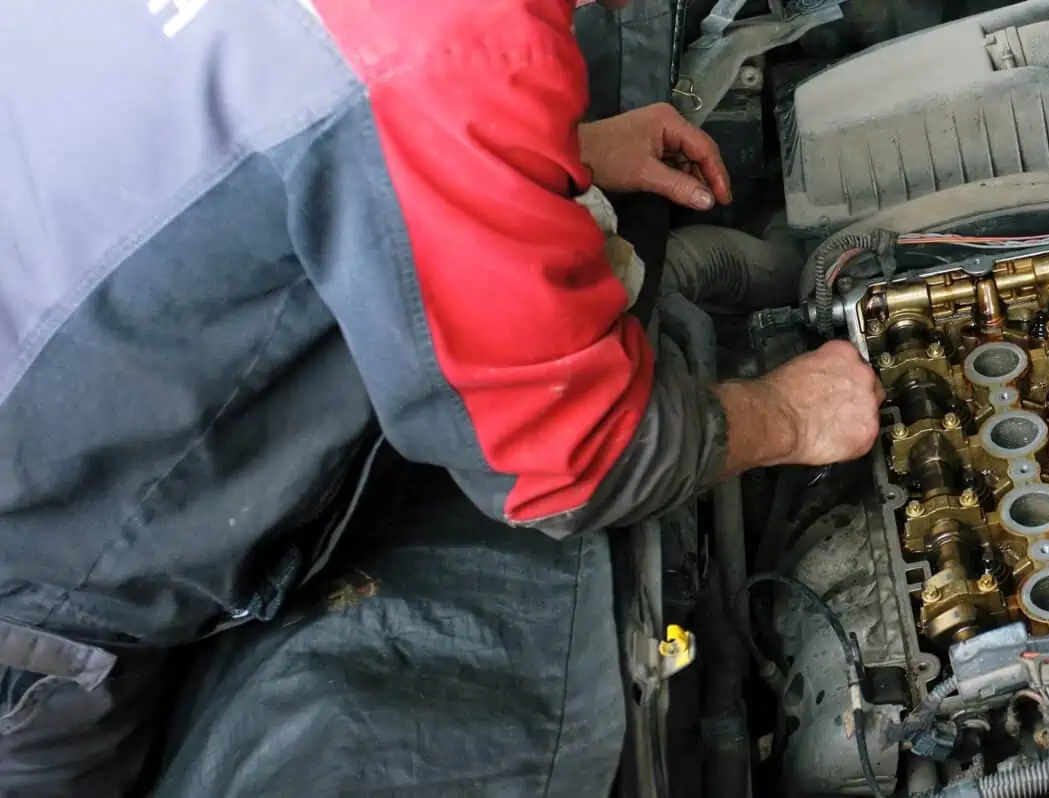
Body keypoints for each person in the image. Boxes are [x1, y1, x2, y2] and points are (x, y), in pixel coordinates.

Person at [0, 0, 884, 795]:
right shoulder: (454, 53)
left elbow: (280, 108)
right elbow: (575, 458)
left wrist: (547, 150)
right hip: (43, 585)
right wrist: (789, 416)